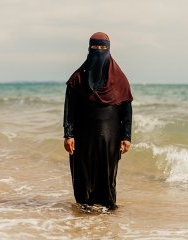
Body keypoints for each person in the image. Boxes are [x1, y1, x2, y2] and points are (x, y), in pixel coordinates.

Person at [63, 32, 133, 210]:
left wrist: (126, 137)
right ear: (89, 49)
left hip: (110, 138)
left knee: (107, 175)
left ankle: (107, 215)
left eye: (103, 48)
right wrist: (68, 134)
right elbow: (69, 109)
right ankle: (84, 213)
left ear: (109, 50)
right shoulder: (77, 80)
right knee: (83, 175)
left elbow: (126, 109)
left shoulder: (120, 80)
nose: (99, 52)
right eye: (95, 48)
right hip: (83, 135)